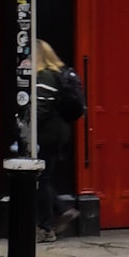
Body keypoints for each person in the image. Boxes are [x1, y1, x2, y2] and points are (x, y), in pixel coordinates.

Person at [34, 40, 82, 243]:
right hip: (58, 133)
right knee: (43, 178)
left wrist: (26, 131)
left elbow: (40, 110)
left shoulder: (45, 76)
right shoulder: (56, 74)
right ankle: (61, 211)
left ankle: (46, 228)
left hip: (47, 134)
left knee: (40, 179)